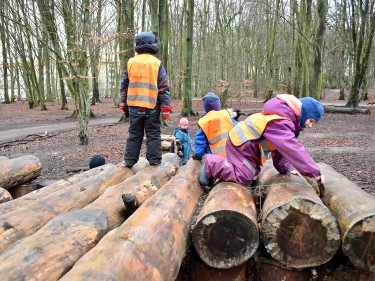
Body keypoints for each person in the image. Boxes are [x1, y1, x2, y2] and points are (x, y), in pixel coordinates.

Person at [199, 94, 325, 190]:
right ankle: (211, 164)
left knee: (252, 171)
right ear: (304, 114)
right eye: (311, 121)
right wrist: (314, 172)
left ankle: (221, 165)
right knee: (244, 175)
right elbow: (293, 149)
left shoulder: (285, 123)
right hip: (242, 144)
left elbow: (281, 150)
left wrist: (286, 167)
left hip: (250, 147)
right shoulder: (280, 122)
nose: (310, 126)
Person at [119, 31, 172, 168]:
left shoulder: (131, 62)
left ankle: (129, 161)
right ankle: (154, 160)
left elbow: (124, 85)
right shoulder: (156, 63)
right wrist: (165, 107)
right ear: (153, 45)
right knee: (153, 133)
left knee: (134, 133)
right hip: (151, 107)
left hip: (134, 106)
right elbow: (163, 87)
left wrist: (123, 103)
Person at [192, 92, 239, 160]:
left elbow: (200, 140)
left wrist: (198, 154)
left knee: (203, 170)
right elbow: (239, 129)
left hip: (215, 159)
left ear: (205, 107)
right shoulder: (227, 115)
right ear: (218, 105)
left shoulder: (205, 121)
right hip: (233, 154)